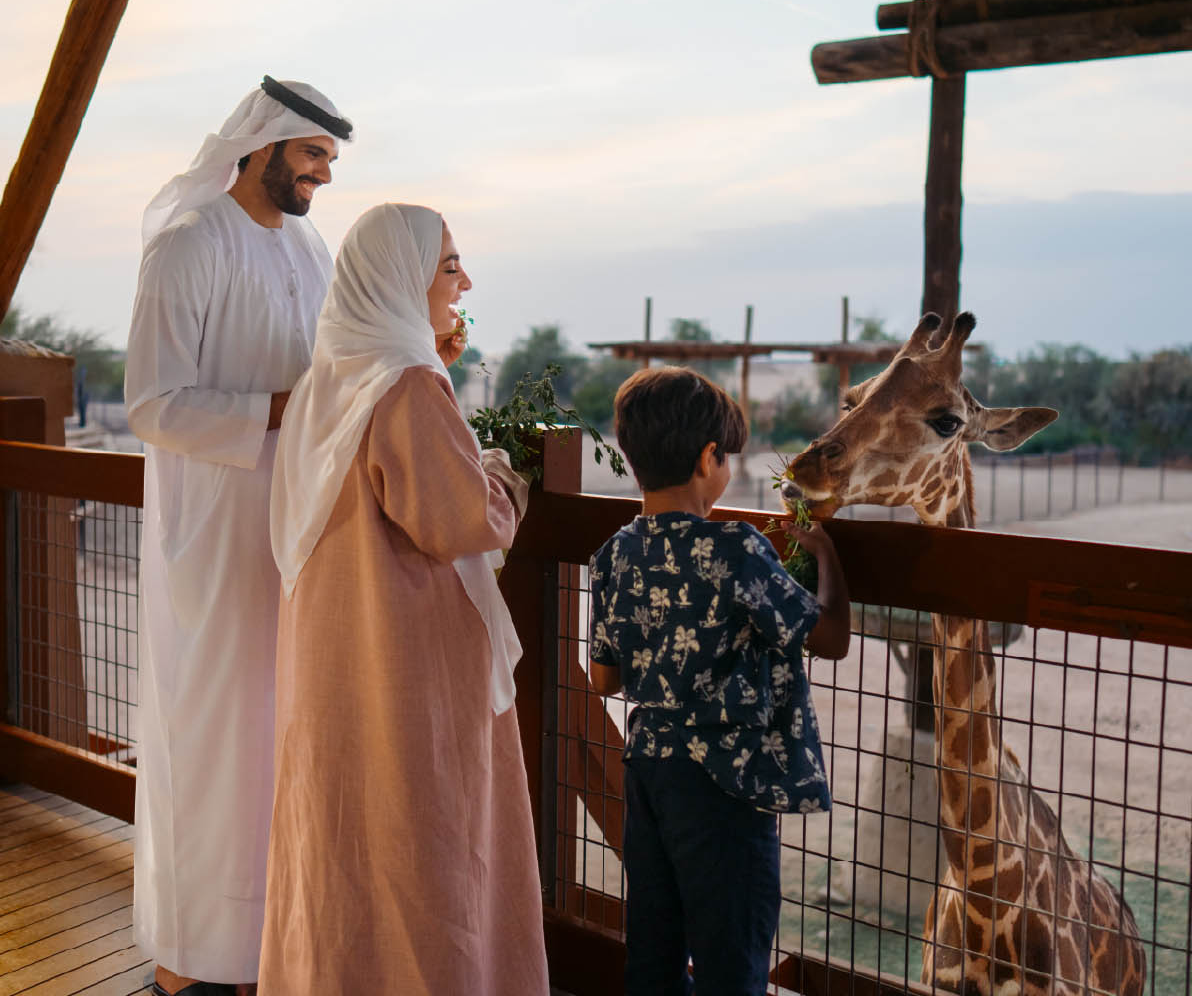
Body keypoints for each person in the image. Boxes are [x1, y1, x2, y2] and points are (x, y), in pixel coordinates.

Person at [259, 203, 547, 995]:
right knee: (426, 845)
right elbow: (460, 518)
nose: (464, 280)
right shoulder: (408, 383)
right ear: (401, 277)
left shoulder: (332, 374)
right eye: (449, 265)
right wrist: (502, 471)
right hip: (405, 658)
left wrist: (437, 369)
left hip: (336, 647)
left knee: (343, 838)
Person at [124, 76, 353, 996]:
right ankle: (189, 959)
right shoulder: (188, 245)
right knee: (212, 734)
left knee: (281, 731)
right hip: (215, 533)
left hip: (296, 523)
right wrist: (278, 411)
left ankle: (266, 948)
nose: (322, 177)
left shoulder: (307, 245)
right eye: (312, 156)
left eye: (329, 161)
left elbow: (335, 363)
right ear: (262, 146)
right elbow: (152, 403)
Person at [586, 367, 852, 996]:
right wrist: (827, 556)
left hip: (650, 769)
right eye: (726, 455)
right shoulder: (735, 548)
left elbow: (603, 678)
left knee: (653, 950)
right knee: (732, 958)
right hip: (727, 784)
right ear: (709, 458)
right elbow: (831, 639)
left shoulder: (614, 553)